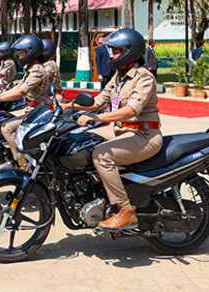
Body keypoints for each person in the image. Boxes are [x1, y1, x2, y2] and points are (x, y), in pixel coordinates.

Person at [60, 28, 162, 230]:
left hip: (143, 135)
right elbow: (98, 101)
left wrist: (95, 118)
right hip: (119, 130)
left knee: (101, 155)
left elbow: (130, 111)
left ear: (129, 52)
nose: (111, 55)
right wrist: (68, 106)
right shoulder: (118, 76)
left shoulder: (144, 78)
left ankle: (125, 210)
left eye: (115, 51)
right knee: (79, 142)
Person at [0, 35, 49, 169]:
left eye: (22, 52)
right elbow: (17, 87)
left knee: (6, 128)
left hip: (41, 111)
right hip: (33, 109)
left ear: (32, 52)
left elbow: (21, 92)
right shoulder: (31, 68)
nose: (19, 56)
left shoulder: (37, 71)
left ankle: (22, 163)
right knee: (3, 116)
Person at [41, 38, 64, 103]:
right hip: (43, 96)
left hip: (53, 96)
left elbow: (41, 77)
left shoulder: (50, 64)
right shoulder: (41, 64)